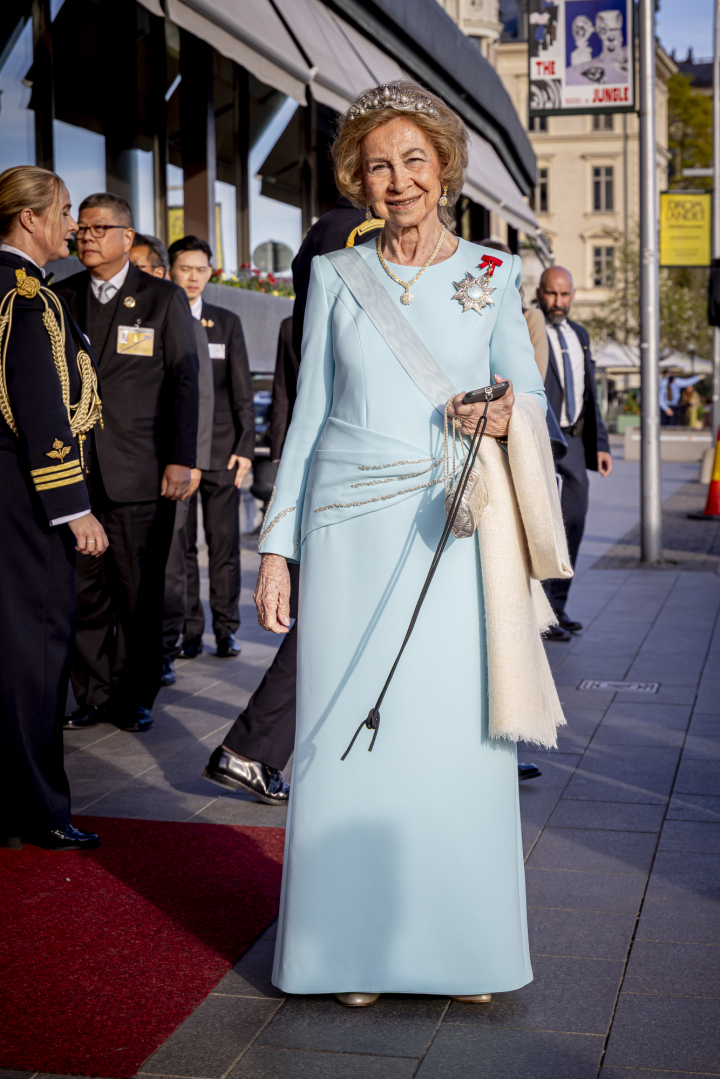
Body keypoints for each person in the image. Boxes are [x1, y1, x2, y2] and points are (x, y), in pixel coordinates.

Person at [253, 81, 567, 1005]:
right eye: (379, 165)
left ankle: (463, 950)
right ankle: (351, 953)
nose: (398, 180)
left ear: (444, 169)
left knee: (453, 740)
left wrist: (509, 408)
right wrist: (277, 549)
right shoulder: (333, 276)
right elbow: (306, 421)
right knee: (347, 736)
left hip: (452, 527)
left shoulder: (494, 274)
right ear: (359, 176)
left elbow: (533, 400)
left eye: (414, 161)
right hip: (347, 535)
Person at [202, 204, 380, 804]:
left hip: (331, 477)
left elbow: (289, 407)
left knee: (337, 619)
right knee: (333, 621)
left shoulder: (304, 312)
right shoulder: (352, 254)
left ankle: (255, 749)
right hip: (358, 478)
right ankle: (250, 748)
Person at [54, 193, 198, 732]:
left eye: (98, 228)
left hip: (141, 473)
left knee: (138, 592)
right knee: (84, 593)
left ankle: (134, 695)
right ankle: (91, 694)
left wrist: (182, 460)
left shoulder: (161, 298)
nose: (85, 237)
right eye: (81, 229)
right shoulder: (60, 296)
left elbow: (185, 382)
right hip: (75, 474)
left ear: (127, 236)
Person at [0, 165, 106, 850]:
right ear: (31, 218)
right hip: (27, 497)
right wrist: (75, 507)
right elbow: (41, 408)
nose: (72, 224)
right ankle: (37, 809)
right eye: (65, 211)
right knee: (34, 653)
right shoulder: (23, 295)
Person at [165, 236, 254, 660]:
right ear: (171, 270)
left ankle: (226, 629)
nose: (195, 277)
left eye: (202, 269)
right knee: (181, 547)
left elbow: (241, 391)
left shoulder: (226, 320)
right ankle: (188, 631)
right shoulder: (162, 316)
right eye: (186, 268)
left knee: (224, 546)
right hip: (178, 455)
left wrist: (245, 447)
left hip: (221, 454)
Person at [537, 266, 612, 640]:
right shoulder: (528, 331)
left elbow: (589, 396)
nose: (558, 302)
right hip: (542, 442)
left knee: (575, 522)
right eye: (552, 294)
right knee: (544, 525)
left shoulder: (580, 335)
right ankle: (543, 613)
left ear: (573, 296)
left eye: (564, 295)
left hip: (575, 442)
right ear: (540, 292)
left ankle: (559, 606)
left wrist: (600, 445)